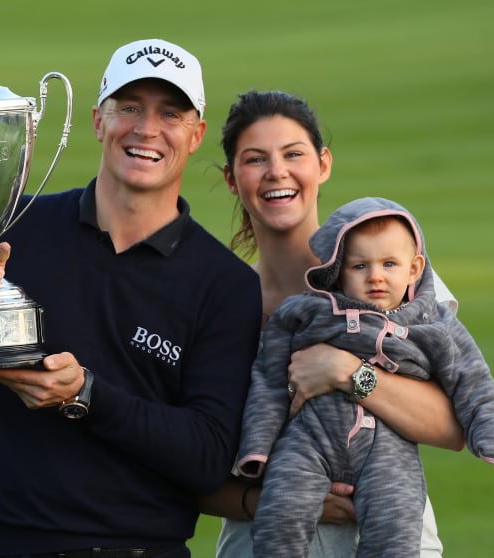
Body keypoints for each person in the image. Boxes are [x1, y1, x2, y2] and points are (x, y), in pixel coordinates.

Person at [0, 38, 263, 557]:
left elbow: (204, 454)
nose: (146, 129)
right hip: (3, 542)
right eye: (128, 108)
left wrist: (86, 395)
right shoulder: (17, 224)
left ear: (196, 134)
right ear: (97, 120)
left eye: (170, 113)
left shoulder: (225, 284)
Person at [200, 90, 468, 558]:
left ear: (323, 164)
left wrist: (348, 373)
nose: (276, 172)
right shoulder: (214, 300)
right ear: (231, 178)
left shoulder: (390, 270)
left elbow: (453, 425)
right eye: (254, 159)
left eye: (293, 154)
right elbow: (189, 465)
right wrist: (284, 499)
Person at [237, 196, 494, 557]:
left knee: (395, 526)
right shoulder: (307, 312)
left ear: (414, 269)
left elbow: (473, 381)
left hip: (387, 449)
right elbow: (269, 380)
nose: (376, 276)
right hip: (310, 438)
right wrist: (257, 447)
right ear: (337, 271)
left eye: (389, 264)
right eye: (359, 266)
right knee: (281, 510)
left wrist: (491, 436)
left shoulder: (432, 323)